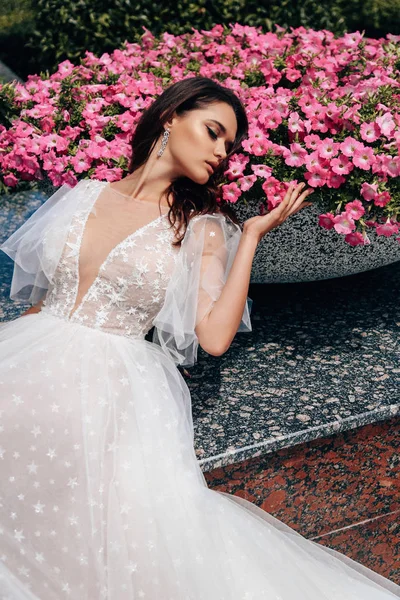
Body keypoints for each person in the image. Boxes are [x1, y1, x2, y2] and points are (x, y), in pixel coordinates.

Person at [0, 76, 398, 599]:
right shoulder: (80, 197)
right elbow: (38, 300)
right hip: (26, 366)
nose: (220, 152)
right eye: (213, 132)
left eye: (229, 146)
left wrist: (251, 237)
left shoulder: (200, 227)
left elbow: (212, 336)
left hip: (108, 391)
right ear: (171, 117)